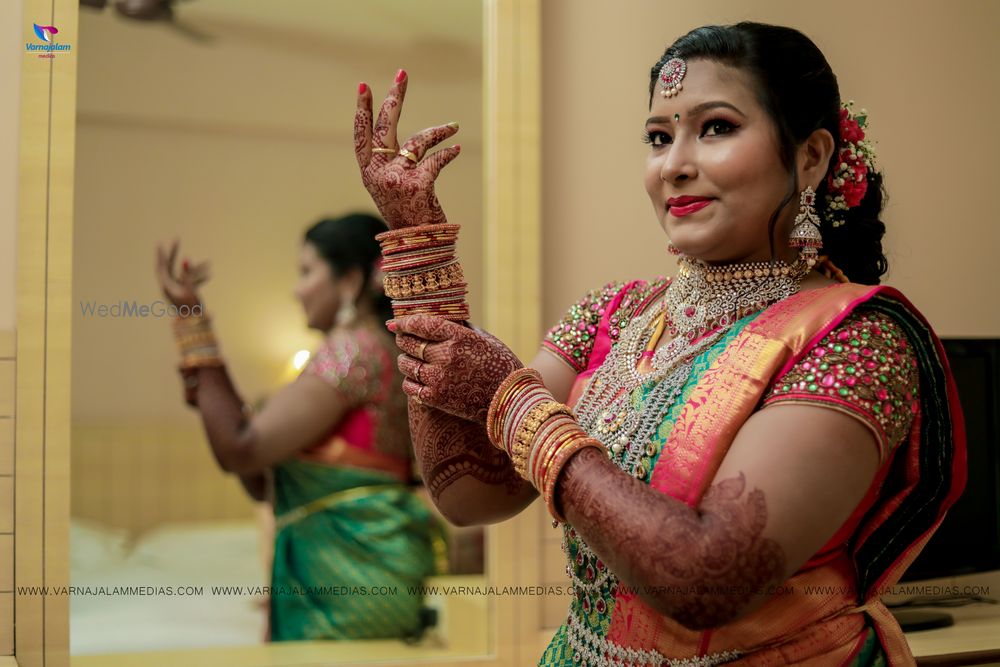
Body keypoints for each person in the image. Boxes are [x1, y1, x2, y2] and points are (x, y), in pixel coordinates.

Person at [355, 22, 968, 666]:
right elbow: (469, 493)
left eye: (717, 128)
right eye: (658, 137)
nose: (675, 164)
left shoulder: (856, 340)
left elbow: (708, 580)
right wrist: (419, 254)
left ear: (811, 156)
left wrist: (517, 406)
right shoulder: (613, 315)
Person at [154, 212, 443, 641]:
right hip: (366, 574)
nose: (296, 290)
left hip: (349, 586)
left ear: (349, 281)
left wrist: (194, 327)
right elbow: (263, 481)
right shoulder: (381, 351)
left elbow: (241, 448)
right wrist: (210, 396)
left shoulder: (352, 353)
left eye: (307, 272)